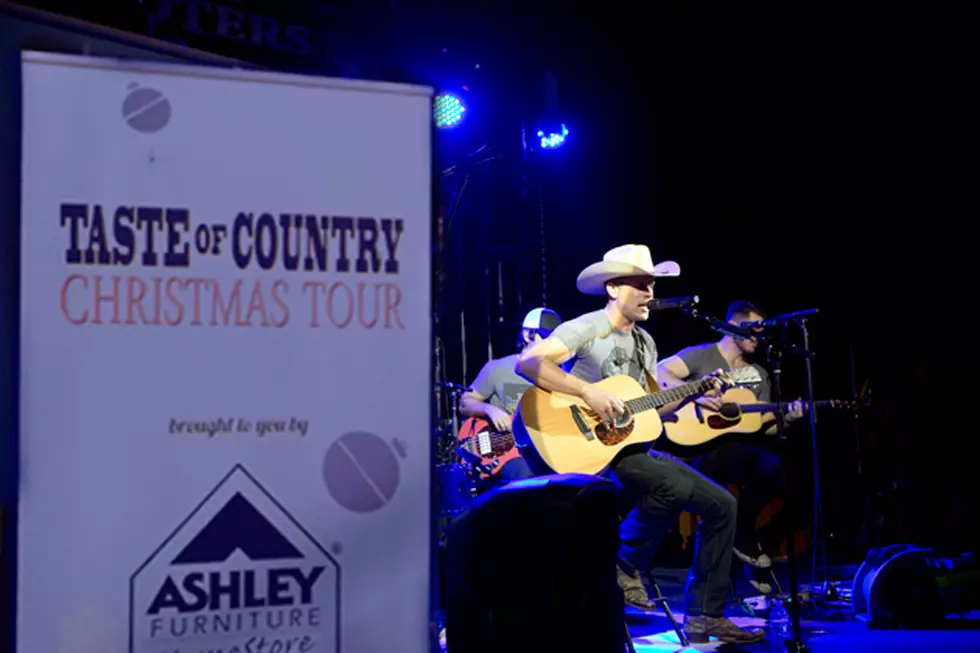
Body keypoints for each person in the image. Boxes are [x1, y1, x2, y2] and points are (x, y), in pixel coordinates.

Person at [516, 245, 765, 645]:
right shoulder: (589, 327)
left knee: (724, 504)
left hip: (629, 448)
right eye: (641, 284)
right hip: (588, 452)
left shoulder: (646, 343)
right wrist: (590, 394)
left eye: (652, 284)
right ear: (613, 287)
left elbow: (653, 415)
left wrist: (694, 393)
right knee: (672, 484)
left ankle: (705, 615)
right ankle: (622, 562)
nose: (650, 292)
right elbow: (529, 363)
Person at [656, 300, 805, 594]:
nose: (759, 337)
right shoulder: (702, 354)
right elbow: (661, 372)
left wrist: (788, 418)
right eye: (753, 330)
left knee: (792, 475)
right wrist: (696, 394)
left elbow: (765, 424)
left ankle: (749, 535)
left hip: (743, 449)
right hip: (701, 446)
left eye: (762, 331)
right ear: (733, 327)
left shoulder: (760, 373)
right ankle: (745, 539)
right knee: (760, 464)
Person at [459, 307, 563, 482]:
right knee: (527, 478)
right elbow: (465, 403)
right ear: (527, 335)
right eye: (545, 338)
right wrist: (490, 410)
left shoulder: (562, 376)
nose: (550, 345)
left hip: (546, 449)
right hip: (508, 453)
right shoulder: (498, 368)